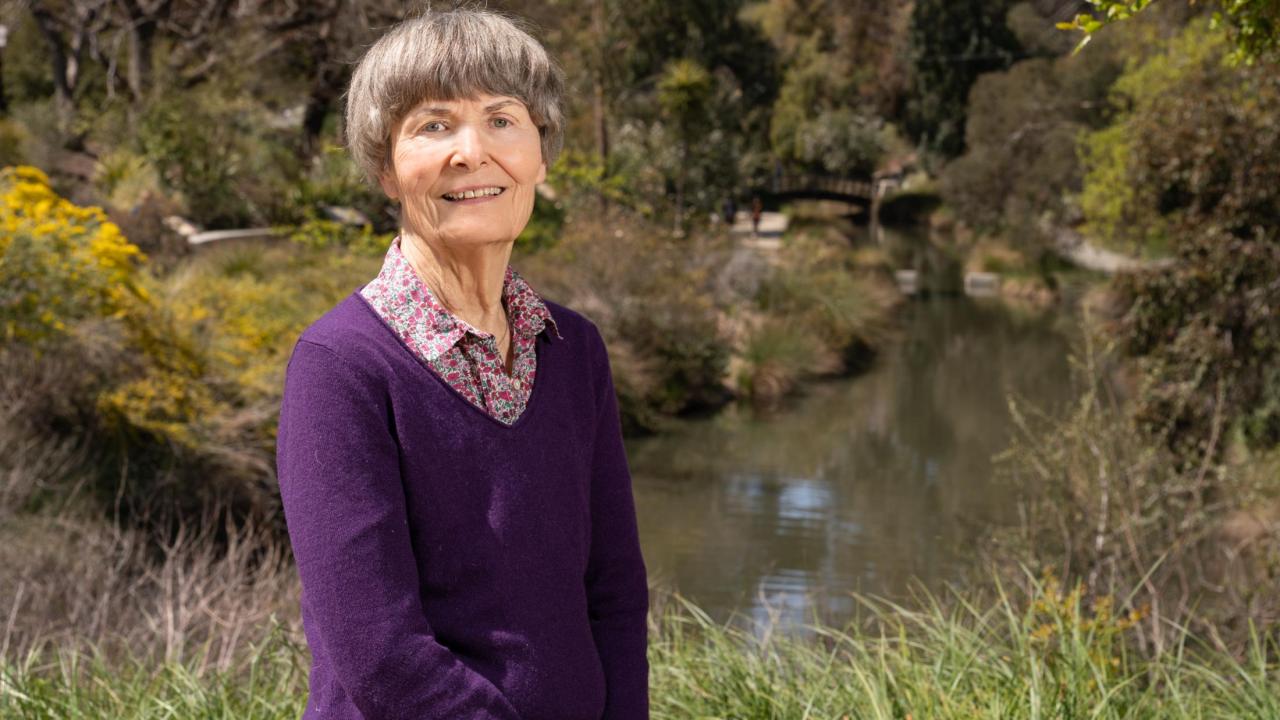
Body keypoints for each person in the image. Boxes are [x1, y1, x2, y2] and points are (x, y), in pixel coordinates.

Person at [275, 8, 649, 720]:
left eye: (503, 119)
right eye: (434, 125)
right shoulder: (339, 367)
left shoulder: (575, 351)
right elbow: (380, 654)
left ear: (540, 152)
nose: (472, 152)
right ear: (386, 169)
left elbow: (616, 597)